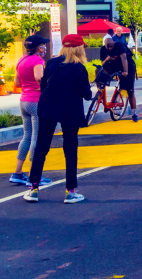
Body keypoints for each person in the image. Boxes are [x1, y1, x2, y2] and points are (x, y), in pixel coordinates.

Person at [24, 34, 92, 204]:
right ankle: (70, 192)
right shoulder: (79, 68)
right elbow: (86, 95)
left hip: (48, 108)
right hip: (70, 110)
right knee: (70, 150)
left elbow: (44, 85)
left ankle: (33, 189)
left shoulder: (52, 63)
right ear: (78, 48)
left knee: (41, 147)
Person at [9, 35, 51, 187]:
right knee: (36, 138)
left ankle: (18, 173)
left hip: (24, 101)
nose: (45, 48)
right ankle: (35, 175)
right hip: (36, 101)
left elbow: (17, 82)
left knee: (26, 136)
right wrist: (46, 88)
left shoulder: (21, 59)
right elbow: (39, 77)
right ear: (38, 47)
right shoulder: (38, 60)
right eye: (43, 45)